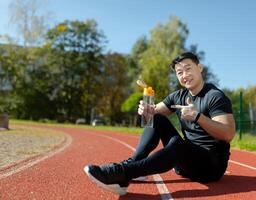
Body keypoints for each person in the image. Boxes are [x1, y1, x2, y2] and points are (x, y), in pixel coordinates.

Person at [84, 52, 236, 196]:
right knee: (157, 118)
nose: (185, 75)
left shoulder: (215, 96)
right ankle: (133, 163)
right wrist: (146, 110)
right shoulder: (178, 96)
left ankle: (123, 172)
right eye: (179, 72)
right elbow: (154, 112)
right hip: (186, 163)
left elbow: (228, 134)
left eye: (188, 69)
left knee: (178, 143)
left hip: (211, 166)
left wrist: (197, 117)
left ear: (199, 68)